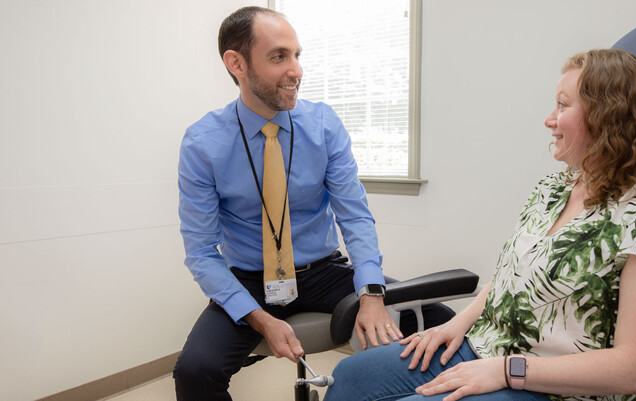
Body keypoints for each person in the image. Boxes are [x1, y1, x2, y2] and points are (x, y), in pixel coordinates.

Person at [324, 49, 636, 401]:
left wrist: (507, 370)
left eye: (562, 105)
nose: (549, 119)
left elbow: (634, 371)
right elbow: (508, 280)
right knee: (349, 377)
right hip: (486, 349)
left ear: (607, 116)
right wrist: (456, 325)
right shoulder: (553, 189)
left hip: (558, 388)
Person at [174, 6, 453, 400]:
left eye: (297, 55)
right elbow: (202, 252)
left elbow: (355, 217)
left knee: (439, 319)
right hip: (249, 281)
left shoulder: (322, 125)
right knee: (194, 372)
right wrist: (260, 319)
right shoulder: (202, 144)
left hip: (323, 272)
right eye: (279, 56)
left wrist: (371, 294)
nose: (296, 70)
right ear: (237, 64)